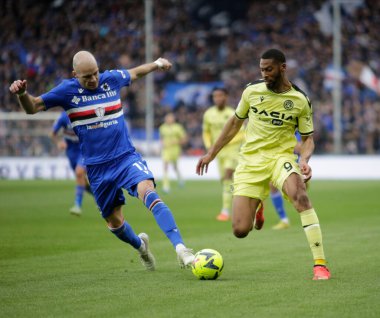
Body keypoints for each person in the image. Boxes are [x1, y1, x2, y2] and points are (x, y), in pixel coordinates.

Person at [9, 51, 195, 271]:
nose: (93, 79)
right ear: (74, 74)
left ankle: (181, 249)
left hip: (125, 157)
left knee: (149, 191)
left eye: (95, 73)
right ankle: (141, 246)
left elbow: (135, 73)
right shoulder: (66, 91)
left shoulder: (111, 79)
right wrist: (22, 94)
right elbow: (33, 107)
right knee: (114, 223)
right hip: (97, 168)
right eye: (86, 76)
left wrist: (156, 63)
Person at [196, 48, 330, 280]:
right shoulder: (251, 91)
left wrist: (304, 160)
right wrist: (211, 153)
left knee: (301, 196)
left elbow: (308, 139)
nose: (265, 74)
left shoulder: (299, 100)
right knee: (240, 230)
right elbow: (235, 123)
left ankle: (320, 264)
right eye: (262, 70)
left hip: (281, 158)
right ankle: (258, 206)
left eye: (269, 69)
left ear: (282, 68)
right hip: (250, 162)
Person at [202, 88, 246, 221]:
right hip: (217, 153)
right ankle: (245, 203)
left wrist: (226, 141)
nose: (218, 98)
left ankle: (225, 211)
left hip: (232, 151)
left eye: (221, 95)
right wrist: (210, 147)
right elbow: (206, 132)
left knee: (227, 176)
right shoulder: (208, 114)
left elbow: (242, 133)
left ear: (226, 97)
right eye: (215, 96)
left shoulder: (233, 113)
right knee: (226, 181)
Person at [50, 111, 93, 215]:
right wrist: (59, 142)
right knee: (81, 179)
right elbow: (52, 134)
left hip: (84, 150)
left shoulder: (86, 113)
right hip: (71, 152)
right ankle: (98, 196)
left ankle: (77, 205)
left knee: (79, 173)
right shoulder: (64, 117)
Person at [270, 130, 302, 230]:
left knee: (295, 194)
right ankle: (284, 219)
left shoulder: (296, 130)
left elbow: (299, 148)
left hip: (292, 163)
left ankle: (308, 217)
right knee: (272, 185)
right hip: (278, 161)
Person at [158, 112, 186, 193]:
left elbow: (184, 139)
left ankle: (180, 179)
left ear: (173, 119)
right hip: (166, 150)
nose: (169, 120)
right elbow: (161, 138)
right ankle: (166, 185)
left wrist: (176, 142)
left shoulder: (178, 127)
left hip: (175, 150)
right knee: (165, 165)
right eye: (167, 118)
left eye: (170, 118)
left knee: (175, 167)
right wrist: (162, 143)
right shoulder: (162, 128)